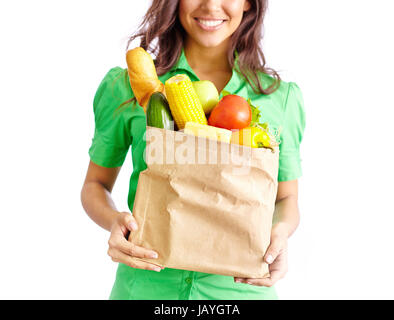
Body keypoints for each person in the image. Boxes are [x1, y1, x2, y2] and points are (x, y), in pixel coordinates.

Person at [81, 0, 306, 300]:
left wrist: (280, 234)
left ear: (249, 3)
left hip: (239, 293)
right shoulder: (128, 88)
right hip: (146, 287)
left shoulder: (280, 99)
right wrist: (114, 221)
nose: (211, 5)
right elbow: (95, 185)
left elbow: (287, 197)